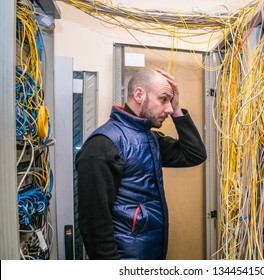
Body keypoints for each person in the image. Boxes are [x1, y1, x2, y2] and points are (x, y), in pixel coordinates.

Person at [75, 68, 207, 260]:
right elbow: (95, 225)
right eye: (163, 99)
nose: (169, 109)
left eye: (171, 102)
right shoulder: (103, 145)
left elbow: (194, 154)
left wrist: (178, 108)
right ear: (139, 95)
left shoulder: (149, 138)